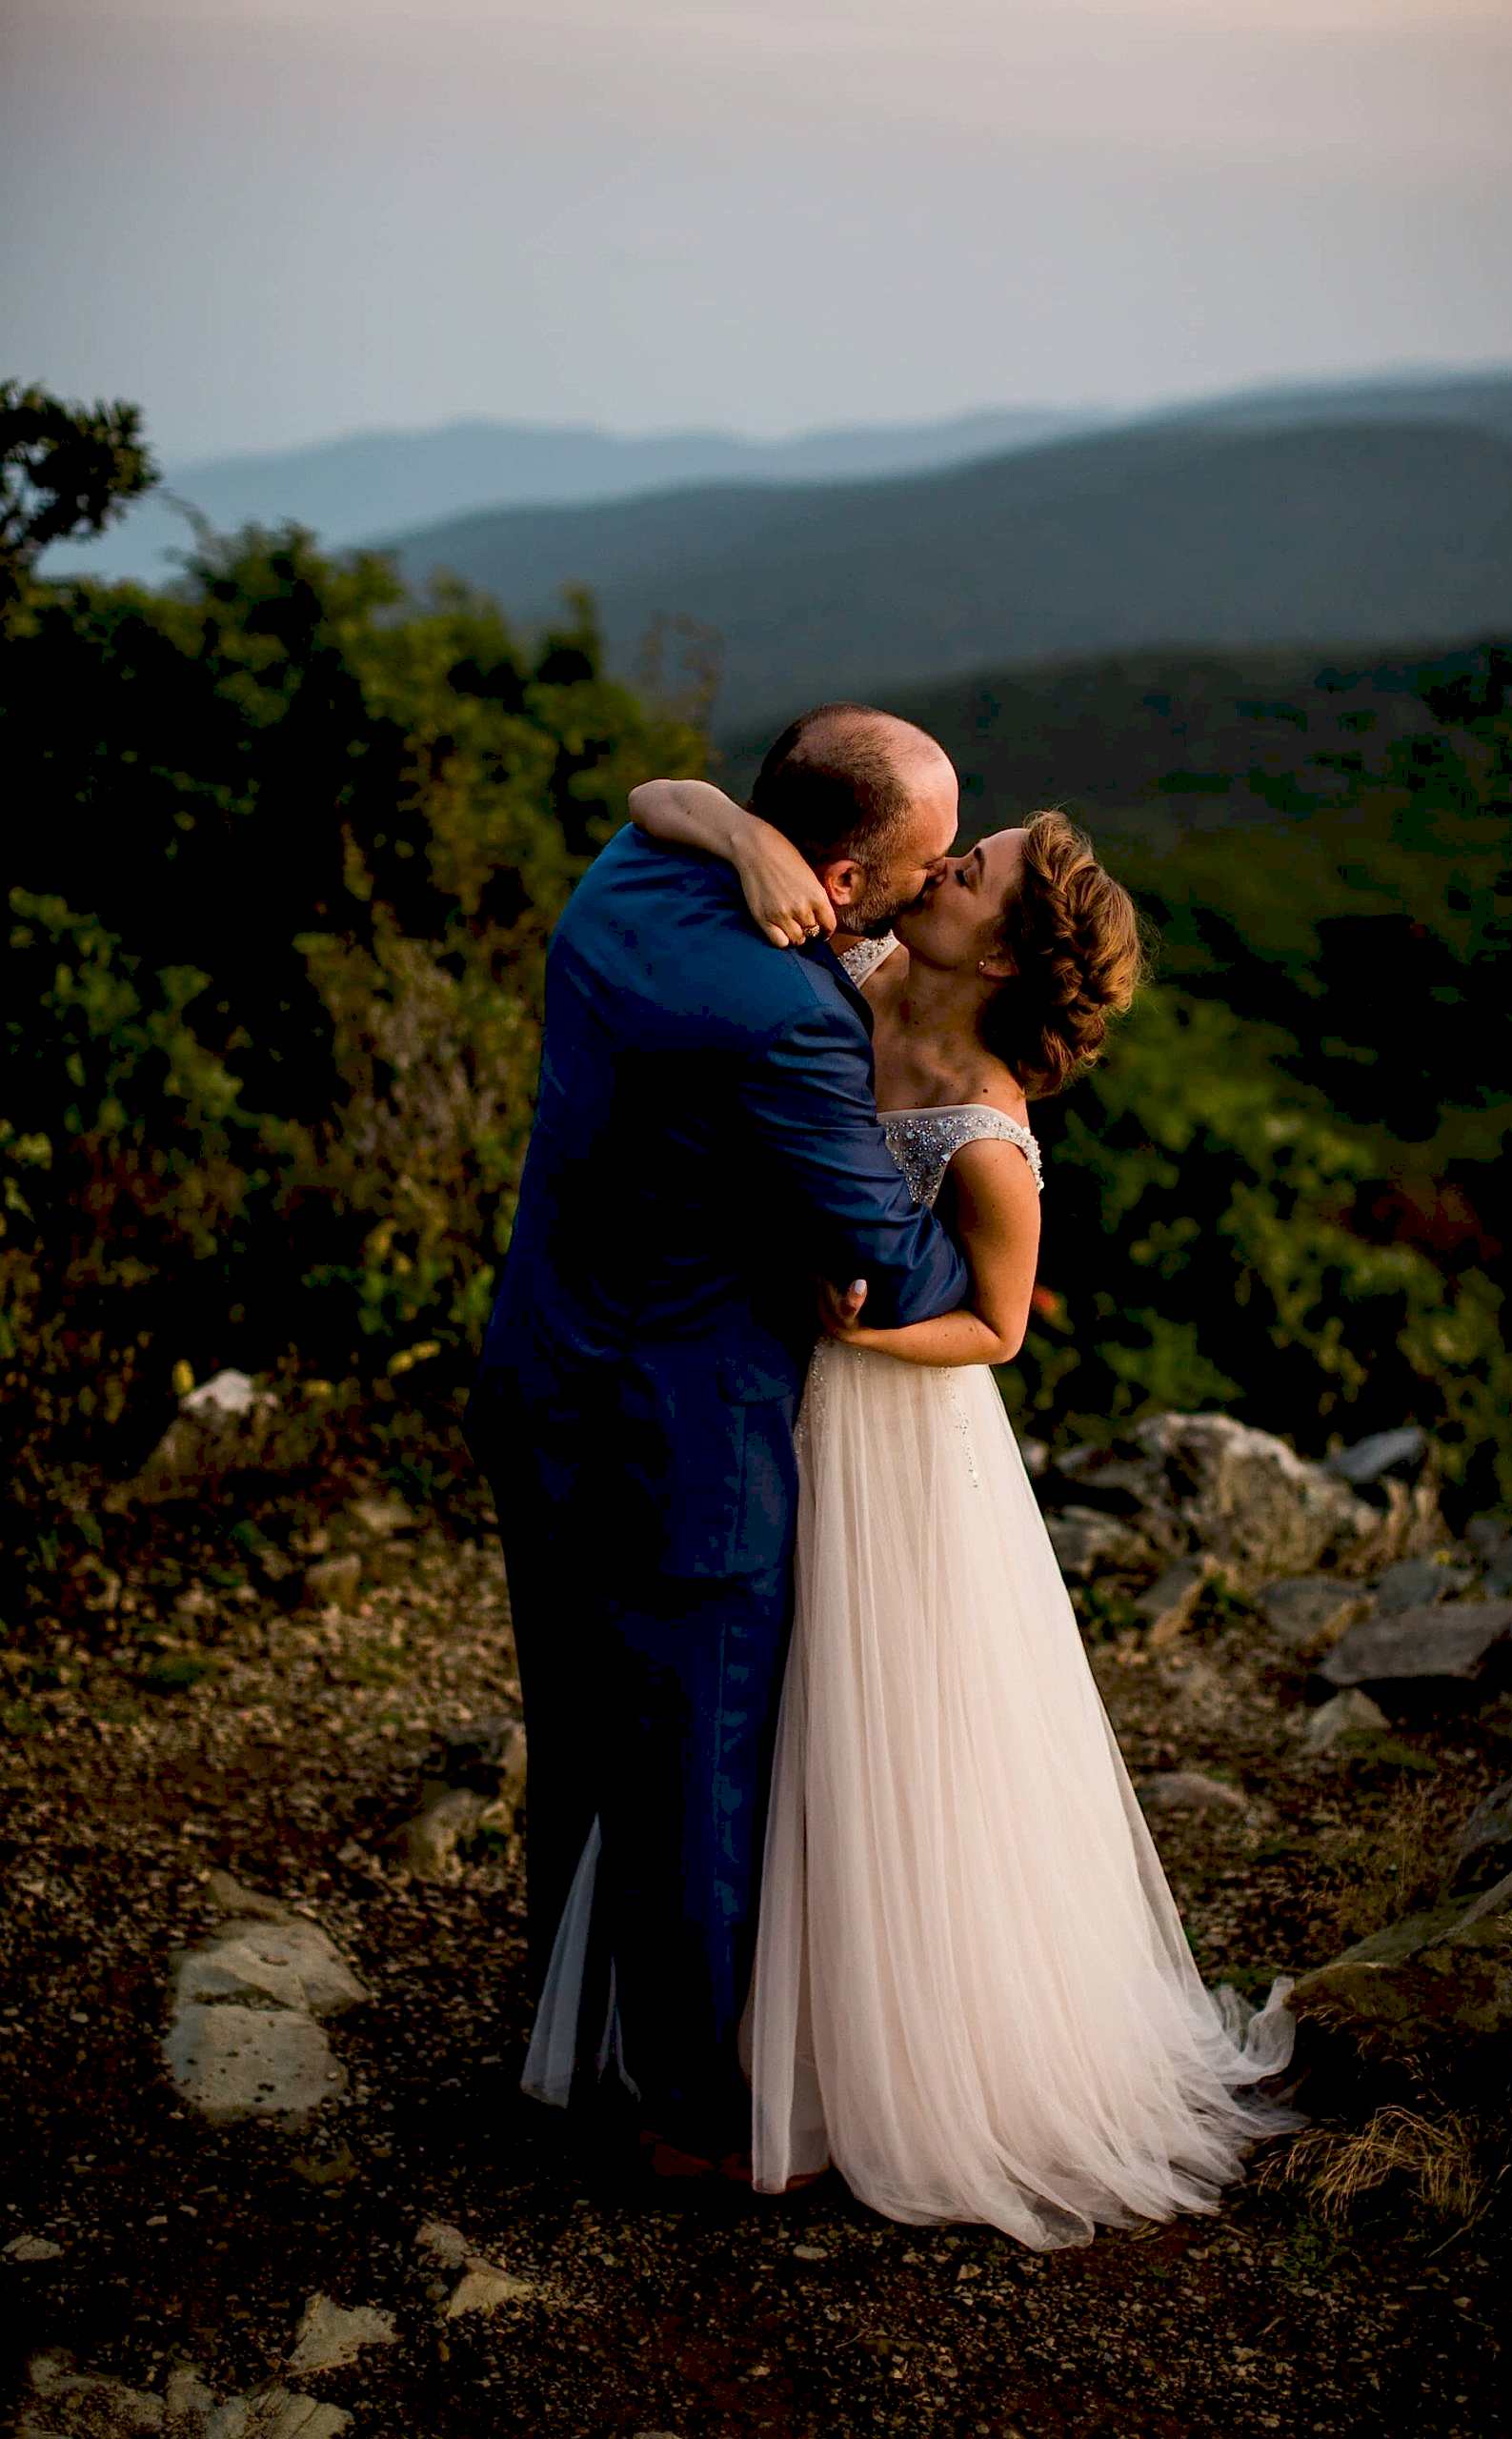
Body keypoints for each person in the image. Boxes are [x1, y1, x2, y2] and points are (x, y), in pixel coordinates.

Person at [618, 775, 1305, 2248]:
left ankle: (879, 2066)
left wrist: (859, 1335)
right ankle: (737, 2026)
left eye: (969, 869)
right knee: (755, 1705)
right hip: (755, 1395)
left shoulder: (987, 1142)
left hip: (894, 1441)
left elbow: (997, 1331)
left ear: (995, 954)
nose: (938, 865)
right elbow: (655, 796)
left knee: (875, 1727)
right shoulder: (855, 973)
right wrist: (744, 833)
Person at [463, 704, 972, 2179]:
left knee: (579, 1738)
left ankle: (577, 2034)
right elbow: (885, 1251)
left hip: (541, 1378)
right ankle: (687, 2106)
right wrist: (994, 1178)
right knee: (702, 1765)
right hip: (675, 1442)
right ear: (838, 869)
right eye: (930, 859)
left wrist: (726, 826)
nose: (942, 881)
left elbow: (655, 794)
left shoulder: (629, 874)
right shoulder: (791, 1015)